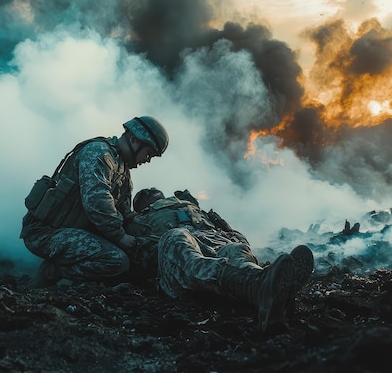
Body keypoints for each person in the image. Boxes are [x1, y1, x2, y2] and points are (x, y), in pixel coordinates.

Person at [125, 188, 314, 332]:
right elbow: (137, 255)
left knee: (236, 249)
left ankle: (265, 286)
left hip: (214, 242)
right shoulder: (137, 221)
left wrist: (235, 239)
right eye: (146, 195)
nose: (151, 192)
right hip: (180, 263)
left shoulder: (193, 209)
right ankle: (264, 288)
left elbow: (233, 234)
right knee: (177, 238)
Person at [20, 116, 169, 287]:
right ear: (134, 140)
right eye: (148, 153)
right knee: (116, 260)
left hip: (70, 230)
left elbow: (124, 210)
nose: (147, 160)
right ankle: (53, 272)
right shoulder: (98, 153)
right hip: (44, 232)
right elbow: (97, 201)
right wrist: (119, 236)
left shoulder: (122, 170)